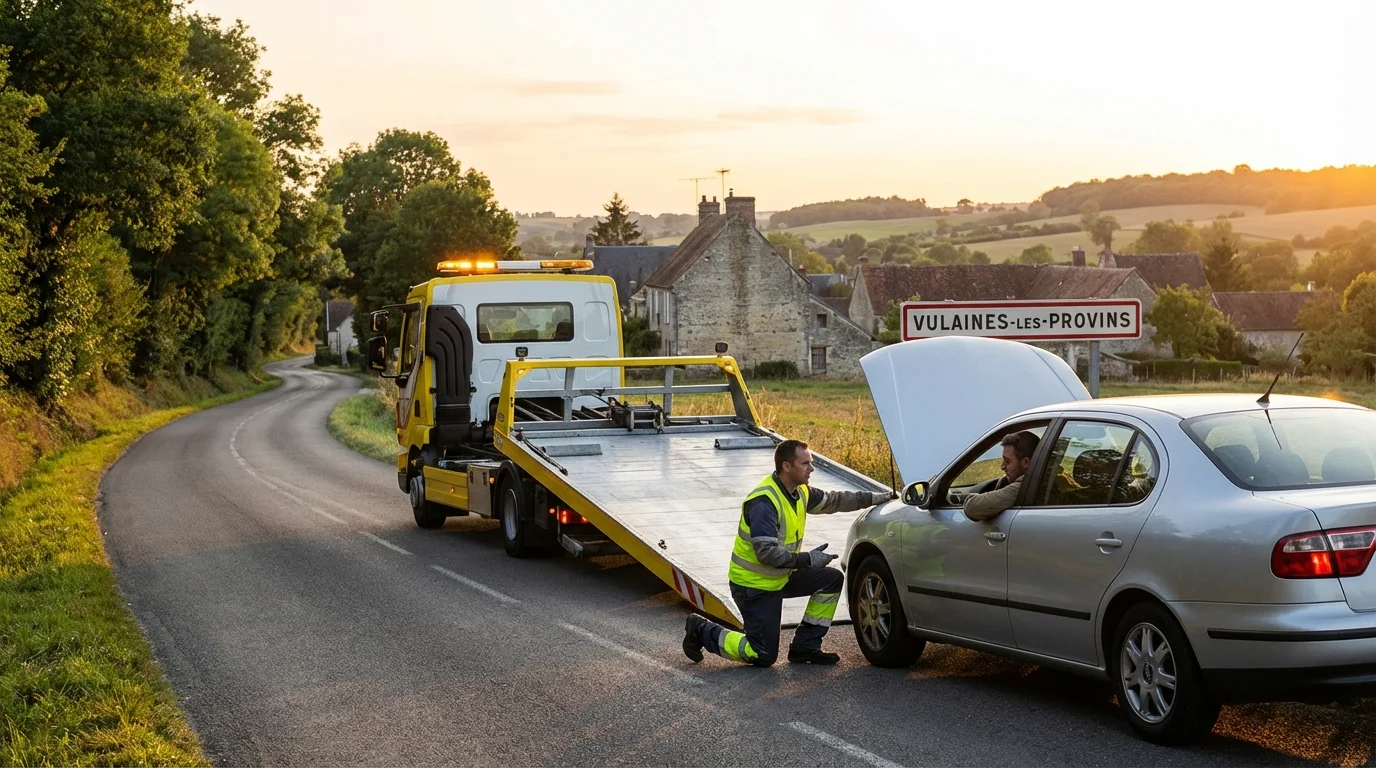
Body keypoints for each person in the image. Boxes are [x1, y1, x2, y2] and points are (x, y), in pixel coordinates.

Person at [682, 439, 896, 666]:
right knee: (761, 654)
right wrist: (808, 560)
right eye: (805, 464)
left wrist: (877, 498)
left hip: (780, 577)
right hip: (754, 587)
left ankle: (805, 647)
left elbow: (835, 500)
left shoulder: (799, 492)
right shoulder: (764, 502)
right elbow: (767, 554)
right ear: (786, 466)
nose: (811, 469)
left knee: (831, 579)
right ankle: (702, 630)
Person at [963, 431, 1040, 522]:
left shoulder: (1023, 487)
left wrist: (968, 497)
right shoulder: (1049, 481)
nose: (1002, 467)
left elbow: (972, 508)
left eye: (1007, 461)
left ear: (1025, 462)